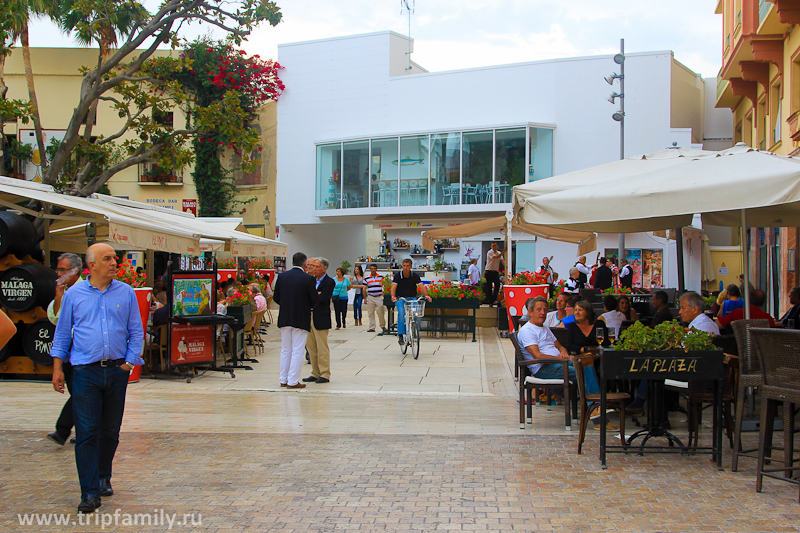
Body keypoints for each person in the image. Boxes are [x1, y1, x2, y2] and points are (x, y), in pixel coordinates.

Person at [50, 243, 144, 514]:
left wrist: (129, 362)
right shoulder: (74, 295)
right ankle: (89, 492)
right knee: (87, 433)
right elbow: (63, 334)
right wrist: (57, 368)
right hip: (85, 372)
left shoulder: (125, 292)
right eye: (108, 259)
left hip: (116, 371)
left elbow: (135, 331)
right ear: (92, 265)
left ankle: (104, 475)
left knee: (110, 432)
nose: (115, 262)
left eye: (115, 258)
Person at [517, 296, 606, 426]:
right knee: (582, 371)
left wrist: (564, 353)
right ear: (530, 312)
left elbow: (560, 346)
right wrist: (560, 358)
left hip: (559, 362)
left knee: (587, 362)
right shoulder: (527, 331)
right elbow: (538, 356)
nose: (543, 313)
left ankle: (595, 409)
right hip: (544, 368)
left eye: (545, 310)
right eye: (539, 310)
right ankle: (597, 413)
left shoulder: (545, 327)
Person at [46, 252, 83, 447]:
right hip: (68, 352)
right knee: (77, 392)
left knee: (80, 392)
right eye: (58, 269)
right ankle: (80, 429)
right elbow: (55, 319)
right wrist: (58, 296)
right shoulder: (64, 291)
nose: (59, 273)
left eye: (63, 269)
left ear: (75, 270)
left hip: (82, 351)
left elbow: (64, 322)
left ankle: (63, 430)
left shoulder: (82, 291)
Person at [274, 252, 319, 389]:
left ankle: (283, 378)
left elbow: (276, 298)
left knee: (286, 349)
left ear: (292, 263)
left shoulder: (282, 277)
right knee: (298, 350)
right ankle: (293, 380)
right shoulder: (308, 279)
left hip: (285, 316)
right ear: (305, 264)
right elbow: (314, 300)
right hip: (301, 317)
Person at [303, 257, 335, 384]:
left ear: (324, 268)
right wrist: (316, 294)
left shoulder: (329, 281)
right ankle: (315, 372)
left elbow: (322, 298)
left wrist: (314, 295)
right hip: (308, 315)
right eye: (313, 266)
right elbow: (305, 296)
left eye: (317, 266)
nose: (314, 269)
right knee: (311, 347)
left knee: (322, 347)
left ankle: (325, 373)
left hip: (320, 317)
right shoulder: (310, 280)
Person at [391, 259, 432, 344]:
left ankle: (415, 333)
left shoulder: (415, 275)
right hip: (400, 298)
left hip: (412, 298)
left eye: (407, 266)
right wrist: (393, 296)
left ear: (410, 266)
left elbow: (421, 286)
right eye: (404, 266)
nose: (405, 268)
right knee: (401, 312)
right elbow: (393, 287)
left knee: (417, 313)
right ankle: (401, 335)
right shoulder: (398, 276)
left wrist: (426, 295)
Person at [364, 264, 387, 333]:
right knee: (370, 313)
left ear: (376, 269)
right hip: (370, 296)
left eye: (374, 268)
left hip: (379, 296)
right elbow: (364, 288)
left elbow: (385, 286)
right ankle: (372, 327)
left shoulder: (380, 277)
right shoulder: (367, 278)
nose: (373, 270)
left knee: (381, 312)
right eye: (371, 268)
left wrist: (383, 295)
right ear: (370, 270)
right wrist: (365, 298)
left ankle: (382, 326)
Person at [484, 242, 505, 306]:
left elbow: (502, 260)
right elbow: (496, 257)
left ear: (497, 246)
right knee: (489, 286)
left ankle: (493, 299)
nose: (494, 247)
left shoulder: (499, 253)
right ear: (491, 246)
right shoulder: (489, 252)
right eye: (493, 246)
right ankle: (490, 301)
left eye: (495, 246)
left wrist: (506, 266)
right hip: (489, 271)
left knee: (497, 285)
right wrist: (503, 251)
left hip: (495, 271)